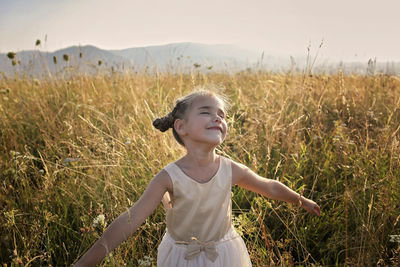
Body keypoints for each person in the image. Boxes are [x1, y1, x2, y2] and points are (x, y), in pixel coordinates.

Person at [74, 89, 320, 267]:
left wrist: (300, 199)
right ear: (181, 127)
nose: (218, 118)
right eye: (206, 112)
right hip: (182, 257)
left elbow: (268, 186)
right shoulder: (168, 177)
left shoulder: (229, 168)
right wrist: (87, 261)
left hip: (225, 254)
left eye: (221, 115)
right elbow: (131, 219)